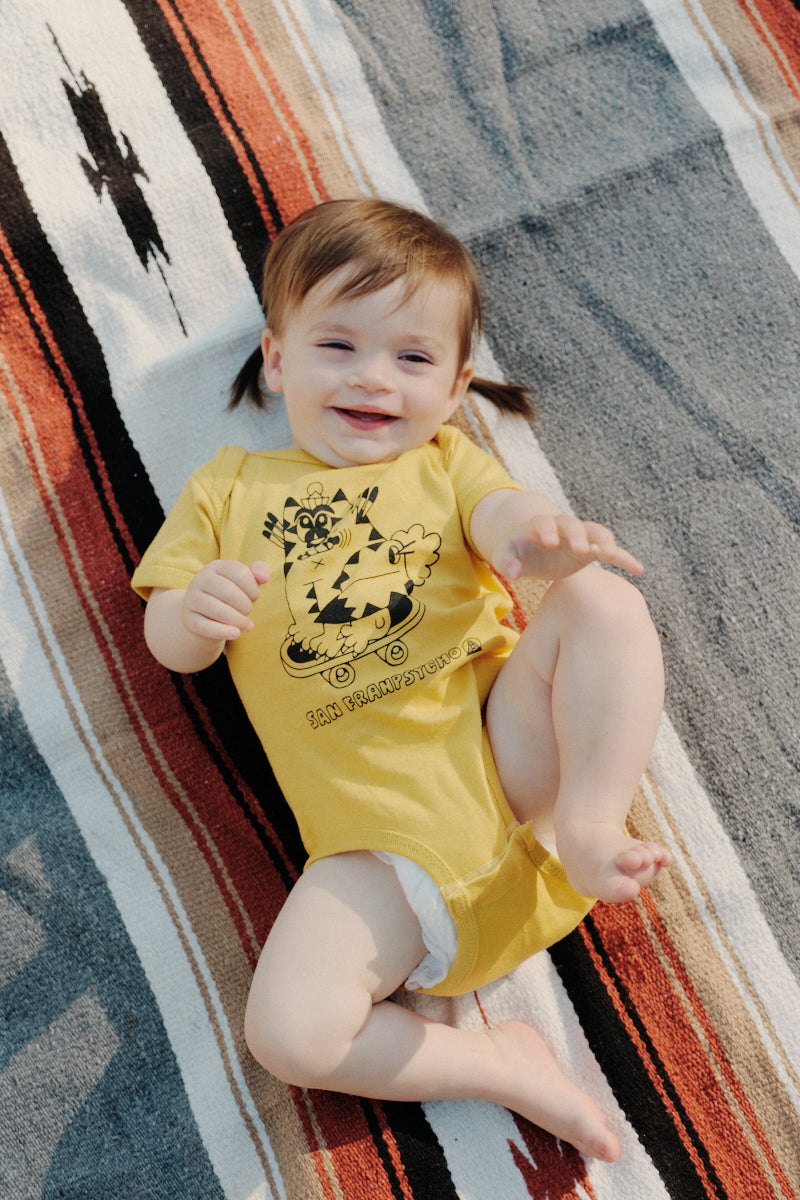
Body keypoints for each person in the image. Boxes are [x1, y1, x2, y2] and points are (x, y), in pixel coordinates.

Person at [132, 198, 669, 1163]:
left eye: (413, 358)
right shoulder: (227, 489)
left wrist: (541, 541)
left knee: (602, 602)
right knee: (288, 1034)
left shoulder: (444, 463)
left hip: (507, 766)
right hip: (378, 849)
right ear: (277, 359)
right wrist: (193, 610)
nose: (374, 377)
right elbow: (169, 641)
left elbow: (507, 519)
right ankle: (495, 1061)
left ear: (456, 388)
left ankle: (596, 822)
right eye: (339, 345)